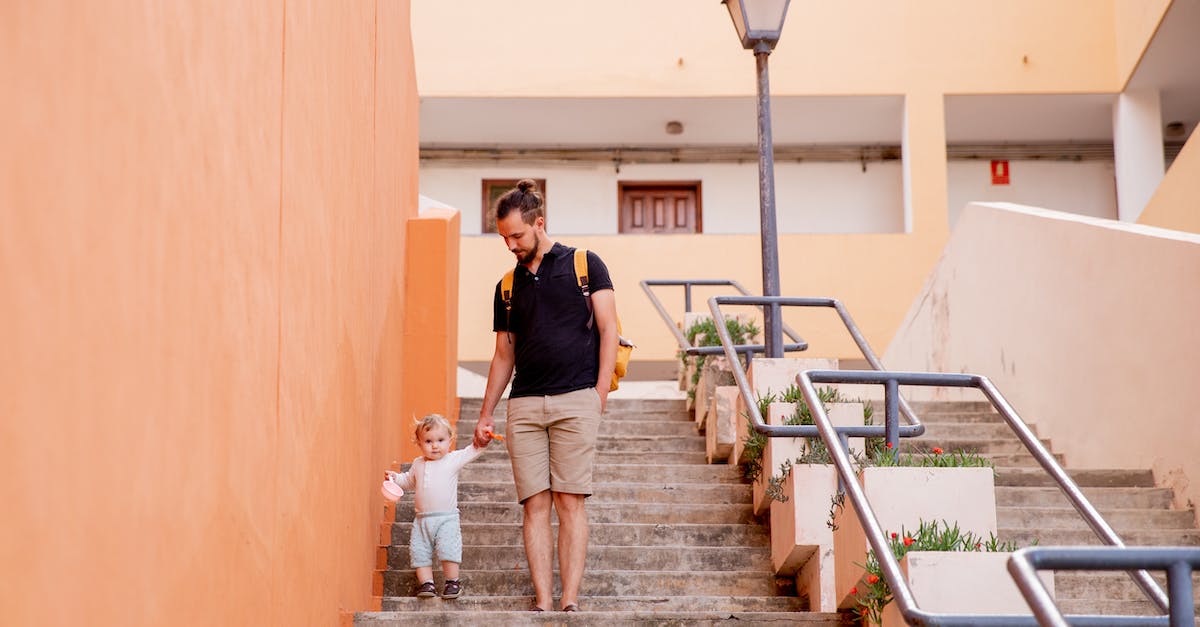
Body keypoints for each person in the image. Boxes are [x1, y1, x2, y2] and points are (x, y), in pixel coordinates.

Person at [473, 179, 619, 613]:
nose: (510, 245)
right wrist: (485, 414)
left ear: (539, 223)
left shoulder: (584, 264)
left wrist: (599, 395)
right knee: (534, 504)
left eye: (517, 235)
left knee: (569, 501)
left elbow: (609, 330)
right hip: (525, 405)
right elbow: (504, 353)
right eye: (504, 238)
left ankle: (569, 599)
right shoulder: (506, 285)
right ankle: (542, 601)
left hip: (577, 398)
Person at [387, 413, 492, 600]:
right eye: (428, 441)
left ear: (450, 441)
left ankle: (453, 582)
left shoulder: (452, 460)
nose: (435, 445)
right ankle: (427, 584)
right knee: (419, 551)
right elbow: (408, 481)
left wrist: (482, 442)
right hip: (422, 520)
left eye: (440, 440)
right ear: (419, 444)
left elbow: (471, 451)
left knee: (448, 549)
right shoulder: (418, 464)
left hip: (447, 518)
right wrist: (395, 479)